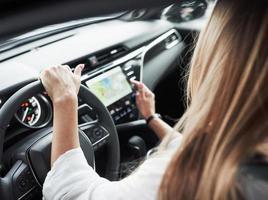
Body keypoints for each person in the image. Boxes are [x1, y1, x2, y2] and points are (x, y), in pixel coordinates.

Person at [41, 0, 268, 199]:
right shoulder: (247, 161)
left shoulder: (184, 177)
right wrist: (151, 117)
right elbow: (198, 148)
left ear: (221, 60)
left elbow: (70, 192)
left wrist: (64, 98)